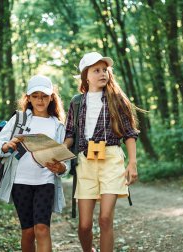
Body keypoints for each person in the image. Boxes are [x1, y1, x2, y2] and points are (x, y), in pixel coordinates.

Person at [64, 52, 139, 252]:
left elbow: (129, 133)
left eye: (105, 70)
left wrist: (132, 163)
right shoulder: (77, 102)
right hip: (85, 161)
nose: (102, 73)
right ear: (85, 76)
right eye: (96, 70)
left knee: (105, 219)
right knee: (84, 225)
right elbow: (70, 133)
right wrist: (59, 152)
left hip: (111, 158)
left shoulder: (117, 100)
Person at [0, 75, 69, 252]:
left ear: (52, 97)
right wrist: (5, 146)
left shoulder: (57, 125)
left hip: (46, 181)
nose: (40, 100)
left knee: (42, 229)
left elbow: (64, 161)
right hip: (20, 182)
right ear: (28, 98)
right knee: (28, 232)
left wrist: (61, 167)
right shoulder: (19, 120)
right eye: (35, 96)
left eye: (44, 96)